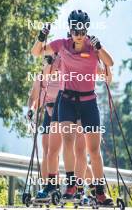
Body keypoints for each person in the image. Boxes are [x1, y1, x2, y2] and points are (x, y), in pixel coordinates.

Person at [31, 10, 114, 205]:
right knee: (67, 142)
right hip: (67, 101)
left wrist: (100, 47)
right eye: (75, 29)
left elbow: (110, 63)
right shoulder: (62, 45)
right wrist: (41, 37)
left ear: (86, 29)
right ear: (70, 28)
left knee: (93, 150)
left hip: (88, 103)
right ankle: (71, 184)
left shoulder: (92, 47)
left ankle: (100, 192)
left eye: (82, 29)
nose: (78, 33)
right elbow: (36, 52)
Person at [27, 53, 62, 182]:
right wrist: (31, 110)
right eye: (48, 61)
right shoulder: (41, 77)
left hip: (66, 113)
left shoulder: (65, 75)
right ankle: (49, 186)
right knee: (47, 151)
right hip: (49, 113)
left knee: (73, 151)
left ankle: (92, 188)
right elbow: (33, 98)